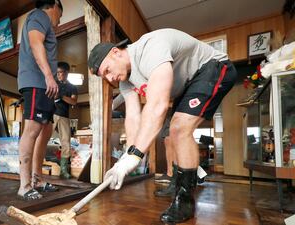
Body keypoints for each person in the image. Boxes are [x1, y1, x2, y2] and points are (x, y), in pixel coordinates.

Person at [88, 28, 237, 223]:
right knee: (170, 136)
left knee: (179, 129)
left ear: (115, 52)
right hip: (188, 84)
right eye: (104, 77)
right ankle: (177, 183)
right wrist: (126, 156)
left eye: (107, 70)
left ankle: (185, 202)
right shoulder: (126, 82)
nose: (110, 78)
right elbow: (133, 118)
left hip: (213, 67)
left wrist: (136, 156)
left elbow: (157, 105)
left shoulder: (150, 47)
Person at [17, 0, 63, 200]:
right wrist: (49, 76)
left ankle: (37, 179)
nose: (58, 22)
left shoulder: (41, 19)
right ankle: (24, 186)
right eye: (60, 16)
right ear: (54, 5)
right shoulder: (40, 16)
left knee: (44, 133)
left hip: (44, 86)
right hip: (38, 82)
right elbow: (36, 42)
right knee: (32, 131)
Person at [53, 61, 78, 179]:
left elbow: (73, 101)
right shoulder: (53, 83)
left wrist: (61, 96)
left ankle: (63, 170)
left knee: (66, 142)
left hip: (64, 116)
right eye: (57, 73)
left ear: (66, 73)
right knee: (42, 138)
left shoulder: (72, 87)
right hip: (51, 114)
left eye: (61, 73)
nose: (58, 75)